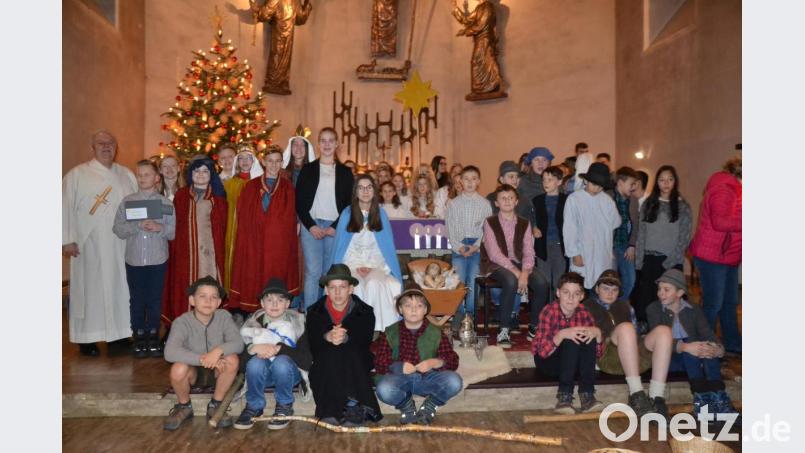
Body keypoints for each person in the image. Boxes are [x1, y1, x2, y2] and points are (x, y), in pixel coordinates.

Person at [63, 130, 138, 356]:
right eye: (101, 143)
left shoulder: (126, 175)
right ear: (92, 147)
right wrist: (66, 240)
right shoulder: (77, 175)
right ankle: (87, 339)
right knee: (89, 290)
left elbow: (136, 206)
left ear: (116, 147)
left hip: (120, 245)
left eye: (110, 143)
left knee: (120, 287)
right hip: (88, 245)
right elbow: (63, 207)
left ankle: (119, 335)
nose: (106, 146)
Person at [647, 269, 740, 421]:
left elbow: (708, 333)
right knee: (690, 349)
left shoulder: (694, 309)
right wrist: (687, 347)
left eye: (666, 289)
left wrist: (717, 349)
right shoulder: (654, 309)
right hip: (668, 360)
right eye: (659, 289)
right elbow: (657, 340)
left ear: (680, 292)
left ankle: (721, 403)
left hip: (695, 356)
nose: (660, 293)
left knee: (707, 351)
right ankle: (703, 407)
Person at [584, 270, 673, 419]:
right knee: (626, 327)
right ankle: (636, 393)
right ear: (597, 289)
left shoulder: (626, 306)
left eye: (614, 290)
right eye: (605, 288)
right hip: (607, 356)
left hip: (632, 356)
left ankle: (656, 397)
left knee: (664, 331)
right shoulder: (587, 307)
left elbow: (636, 334)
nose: (610, 293)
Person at [373, 284, 462, 425]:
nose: (413, 310)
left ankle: (430, 405)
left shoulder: (435, 333)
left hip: (427, 378)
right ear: (400, 309)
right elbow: (379, 361)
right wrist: (398, 366)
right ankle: (406, 405)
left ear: (425, 310)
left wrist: (435, 362)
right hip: (400, 379)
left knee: (454, 381)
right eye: (408, 306)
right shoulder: (390, 332)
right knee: (384, 388)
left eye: (419, 306)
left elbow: (453, 360)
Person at [113, 160, 176, 358]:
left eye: (147, 174)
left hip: (157, 260)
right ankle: (139, 337)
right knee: (137, 300)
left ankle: (153, 336)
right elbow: (118, 229)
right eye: (139, 175)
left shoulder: (165, 203)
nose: (142, 178)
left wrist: (160, 228)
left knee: (155, 300)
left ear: (157, 178)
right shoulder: (128, 202)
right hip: (135, 261)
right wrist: (136, 226)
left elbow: (173, 232)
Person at [305, 264, 383, 426]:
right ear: (326, 290)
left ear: (351, 289)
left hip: (356, 358)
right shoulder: (314, 312)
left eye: (342, 287)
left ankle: (353, 405)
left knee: (347, 353)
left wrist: (346, 337)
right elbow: (312, 342)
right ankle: (331, 409)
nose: (337, 292)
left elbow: (364, 341)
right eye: (333, 288)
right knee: (330, 354)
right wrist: (327, 336)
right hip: (326, 359)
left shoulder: (365, 311)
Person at [163, 276, 243, 431]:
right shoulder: (182, 322)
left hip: (218, 371)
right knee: (178, 368)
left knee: (232, 359)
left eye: (213, 297)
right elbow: (170, 352)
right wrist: (202, 359)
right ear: (192, 300)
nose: (208, 301)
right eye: (202, 296)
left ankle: (216, 404)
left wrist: (217, 352)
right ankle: (184, 406)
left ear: (219, 303)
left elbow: (238, 343)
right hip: (192, 372)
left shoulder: (224, 317)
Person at [235, 278, 312, 430]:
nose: (275, 304)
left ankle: (284, 405)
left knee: (281, 361)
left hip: (290, 374)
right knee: (255, 362)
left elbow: (307, 361)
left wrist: (279, 349)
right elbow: (242, 367)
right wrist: (253, 349)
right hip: (262, 377)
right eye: (269, 300)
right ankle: (254, 406)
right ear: (262, 304)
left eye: (280, 300)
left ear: (287, 304)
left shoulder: (299, 324)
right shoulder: (251, 325)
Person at [228, 148, 299, 313]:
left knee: (276, 273)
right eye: (270, 161)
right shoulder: (250, 186)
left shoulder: (288, 187)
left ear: (282, 163)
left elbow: (290, 217)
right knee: (254, 272)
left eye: (277, 161)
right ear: (263, 162)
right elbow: (243, 216)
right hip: (255, 240)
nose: (274, 165)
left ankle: (276, 310)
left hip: (278, 242)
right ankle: (254, 310)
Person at [329, 175, 403, 332]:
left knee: (375, 284)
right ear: (355, 192)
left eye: (369, 187)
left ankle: (379, 329)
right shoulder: (347, 214)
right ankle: (355, 329)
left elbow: (384, 248)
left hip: (376, 265)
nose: (365, 191)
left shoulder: (381, 214)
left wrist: (371, 266)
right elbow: (344, 247)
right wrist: (357, 266)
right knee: (356, 286)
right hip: (351, 265)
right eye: (361, 188)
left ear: (374, 191)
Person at [481, 185, 550, 346]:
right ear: (496, 203)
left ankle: (534, 326)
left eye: (511, 198)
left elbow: (528, 250)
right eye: (503, 198)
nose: (507, 201)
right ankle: (504, 329)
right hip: (495, 264)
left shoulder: (524, 223)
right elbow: (494, 253)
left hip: (519, 263)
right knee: (511, 281)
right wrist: (517, 273)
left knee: (542, 283)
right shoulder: (490, 222)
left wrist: (525, 272)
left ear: (516, 201)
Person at [162, 158, 228, 324]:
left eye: (205, 171)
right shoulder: (181, 195)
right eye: (197, 171)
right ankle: (183, 325)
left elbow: (221, 229)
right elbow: (175, 225)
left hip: (208, 254)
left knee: (207, 288)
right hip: (185, 252)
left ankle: (209, 325)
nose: (200, 174)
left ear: (211, 174)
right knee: (184, 285)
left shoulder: (218, 197)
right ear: (190, 174)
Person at [296, 127, 355, 310]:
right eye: (323, 140)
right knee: (313, 273)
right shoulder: (308, 169)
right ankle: (310, 315)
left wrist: (335, 226)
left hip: (334, 228)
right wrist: (311, 226)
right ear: (318, 144)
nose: (327, 144)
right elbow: (299, 202)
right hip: (311, 225)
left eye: (331, 140)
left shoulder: (345, 172)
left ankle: (325, 313)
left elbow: (349, 203)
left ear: (337, 144)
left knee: (329, 274)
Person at [688, 155, 742, 355]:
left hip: (729, 256)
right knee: (713, 303)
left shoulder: (739, 190)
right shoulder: (723, 189)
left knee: (730, 303)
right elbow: (721, 222)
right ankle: (704, 346)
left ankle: (733, 343)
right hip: (711, 256)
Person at [532, 272, 604, 414]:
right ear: (558, 293)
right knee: (570, 339)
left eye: (576, 294)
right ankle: (564, 396)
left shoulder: (585, 313)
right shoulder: (548, 311)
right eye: (566, 293)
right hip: (548, 362)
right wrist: (561, 335)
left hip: (572, 363)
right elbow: (542, 352)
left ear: (582, 296)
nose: (571, 298)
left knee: (588, 335)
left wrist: (598, 335)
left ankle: (587, 395)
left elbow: (597, 355)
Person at [634, 165, 692, 326]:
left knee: (671, 299)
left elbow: (684, 237)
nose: (666, 183)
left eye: (670, 179)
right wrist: (639, 260)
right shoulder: (649, 204)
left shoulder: (683, 206)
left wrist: (670, 261)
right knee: (647, 297)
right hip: (649, 259)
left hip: (671, 261)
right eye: (662, 180)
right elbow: (641, 233)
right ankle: (646, 327)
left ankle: (673, 329)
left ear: (675, 182)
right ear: (657, 182)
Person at [446, 166, 493, 330]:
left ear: (478, 181)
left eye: (474, 179)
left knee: (473, 281)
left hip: (476, 247)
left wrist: (476, 246)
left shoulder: (485, 204)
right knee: (458, 282)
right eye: (466, 179)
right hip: (458, 246)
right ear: (460, 181)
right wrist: (458, 246)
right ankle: (459, 313)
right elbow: (449, 227)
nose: (470, 182)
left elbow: (487, 229)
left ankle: (470, 315)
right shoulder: (453, 204)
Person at [563, 162, 621, 290]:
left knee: (601, 285)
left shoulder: (607, 201)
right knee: (580, 286)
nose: (597, 188)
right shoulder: (574, 199)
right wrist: (574, 253)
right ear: (586, 181)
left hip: (602, 252)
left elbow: (615, 222)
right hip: (582, 251)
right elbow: (569, 229)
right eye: (594, 184)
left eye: (600, 186)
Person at [223, 146, 265, 292]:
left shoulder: (261, 182)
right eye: (241, 158)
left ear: (254, 161)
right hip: (235, 229)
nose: (245, 161)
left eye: (248, 158)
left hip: (255, 231)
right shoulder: (230, 184)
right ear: (237, 162)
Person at [532, 166, 568, 298]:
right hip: (543, 245)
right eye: (544, 179)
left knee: (559, 282)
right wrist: (533, 227)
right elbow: (531, 219)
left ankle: (558, 308)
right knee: (544, 281)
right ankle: (546, 308)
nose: (546, 183)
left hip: (560, 246)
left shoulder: (567, 200)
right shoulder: (537, 200)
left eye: (550, 179)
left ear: (559, 182)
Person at [611, 166, 640, 301]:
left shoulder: (633, 200)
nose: (633, 187)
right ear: (620, 183)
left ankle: (618, 305)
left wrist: (632, 245)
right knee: (609, 280)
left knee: (630, 280)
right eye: (631, 184)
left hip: (625, 246)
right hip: (609, 246)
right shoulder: (608, 197)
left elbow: (636, 224)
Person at [518, 147, 554, 226]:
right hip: (528, 226)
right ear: (531, 163)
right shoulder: (522, 182)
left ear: (549, 163)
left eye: (544, 160)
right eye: (536, 160)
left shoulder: (556, 182)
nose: (540, 163)